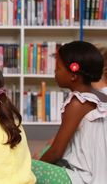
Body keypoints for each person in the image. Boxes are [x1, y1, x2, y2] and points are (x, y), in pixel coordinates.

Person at [31, 41, 107, 184]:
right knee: (42, 153)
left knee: (24, 167)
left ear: (73, 75)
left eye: (58, 68)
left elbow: (56, 152)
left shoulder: (78, 103)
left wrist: (39, 166)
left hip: (84, 177)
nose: (55, 72)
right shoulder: (101, 97)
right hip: (99, 172)